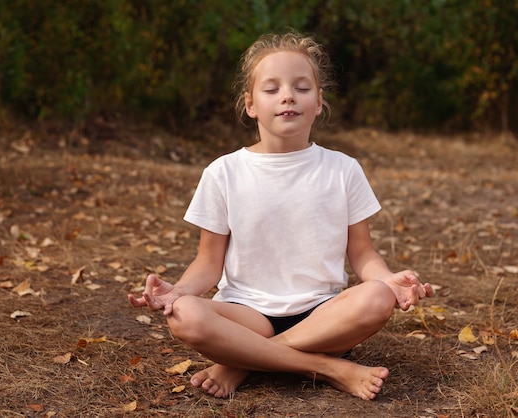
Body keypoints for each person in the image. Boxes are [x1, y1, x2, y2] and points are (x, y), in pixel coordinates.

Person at [128, 31, 434, 401]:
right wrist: (177, 292)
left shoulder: (343, 169)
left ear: (319, 102)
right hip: (245, 315)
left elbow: (362, 255)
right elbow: (208, 264)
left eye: (301, 88)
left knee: (376, 298)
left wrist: (389, 281)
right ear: (250, 105)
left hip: (323, 316)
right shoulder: (224, 173)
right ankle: (327, 367)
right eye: (271, 89)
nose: (287, 95)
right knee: (184, 315)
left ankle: (240, 363)